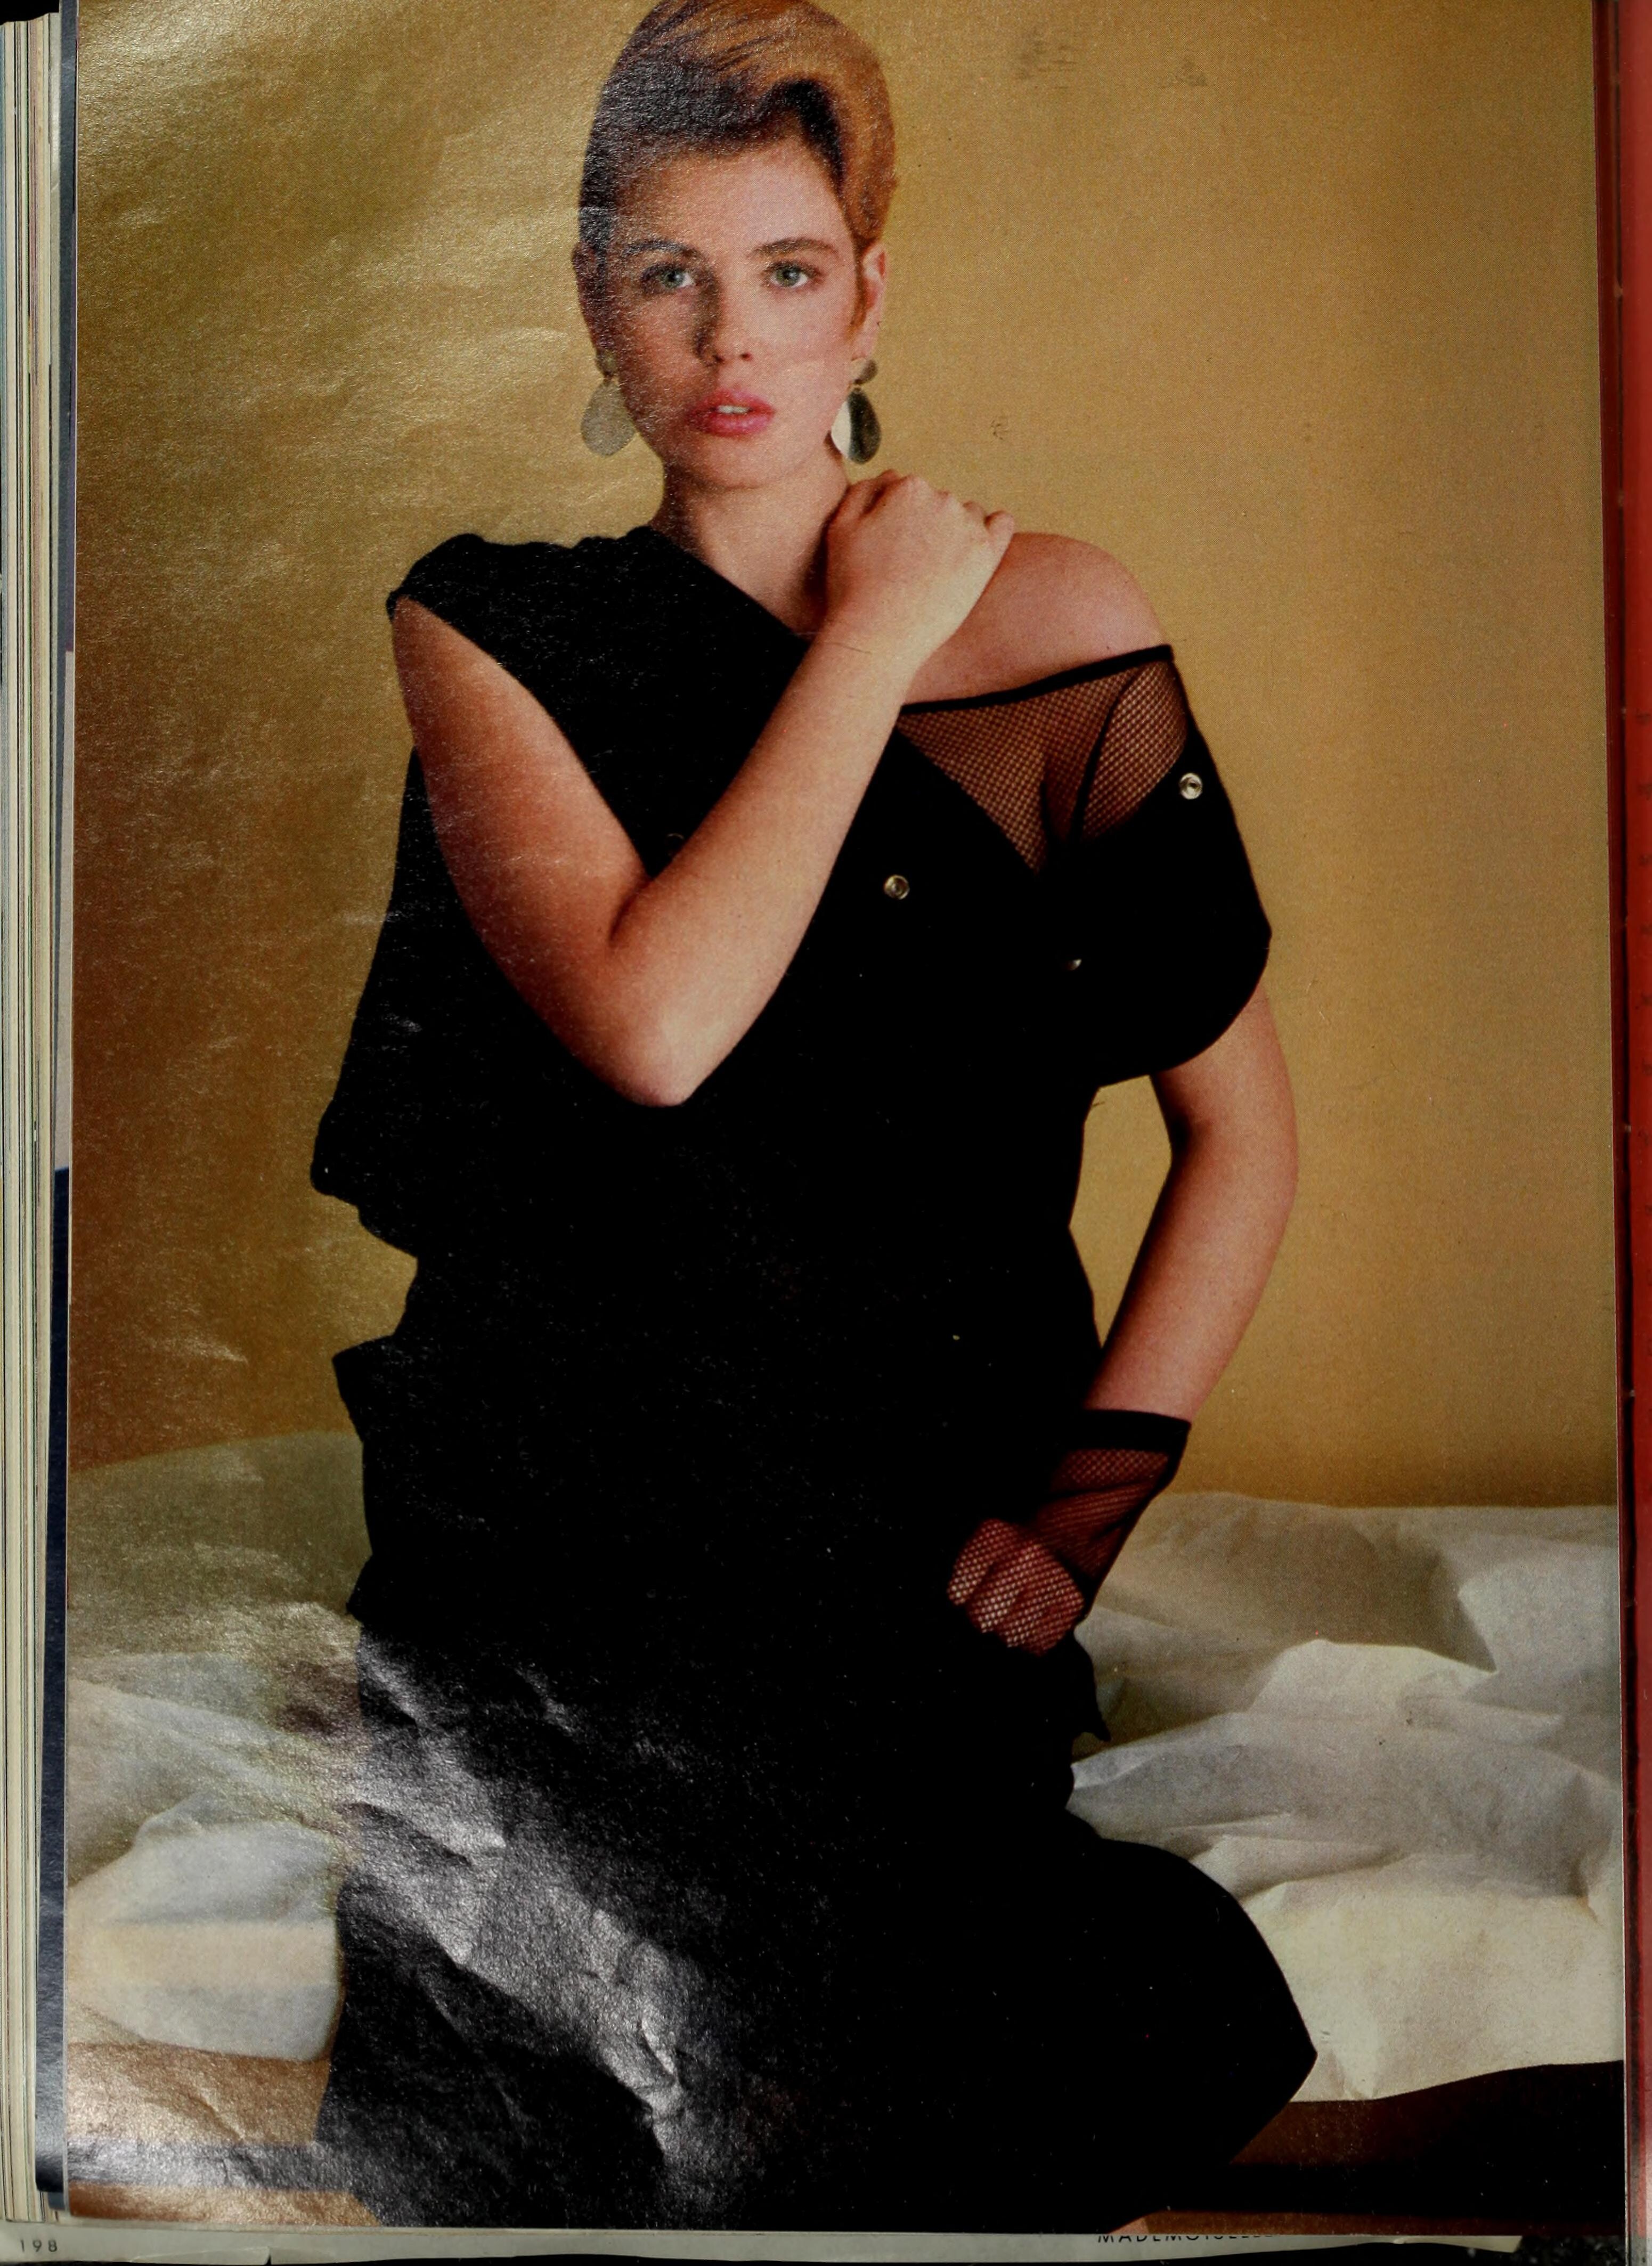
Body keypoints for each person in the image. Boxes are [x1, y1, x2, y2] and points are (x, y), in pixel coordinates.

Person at [310, 0, 1315, 2230]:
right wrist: (865, 637)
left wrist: (1082, 1512)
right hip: (570, 1514)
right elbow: (654, 1028)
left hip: (901, 1515)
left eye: (782, 269)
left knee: (978, 2023)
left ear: (867, 292)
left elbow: (1240, 1135)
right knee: (564, 2079)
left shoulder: (1063, 629)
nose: (729, 336)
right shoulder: (490, 629)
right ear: (596, 305)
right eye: (662, 274)